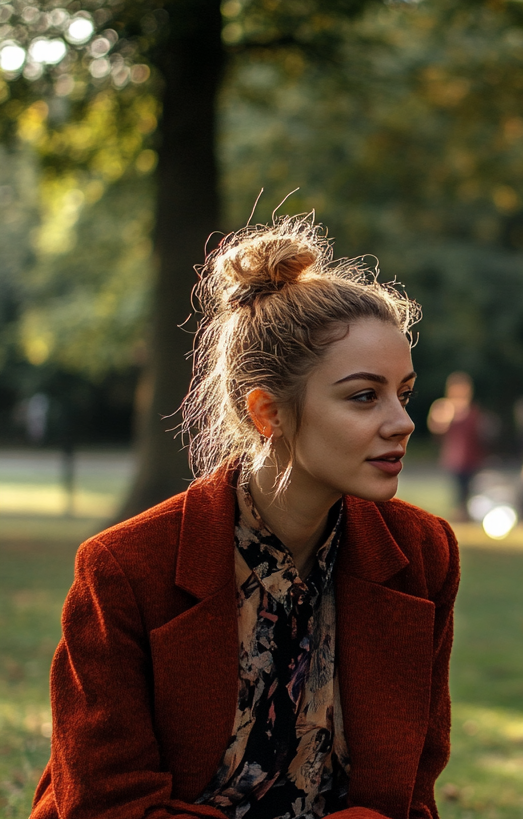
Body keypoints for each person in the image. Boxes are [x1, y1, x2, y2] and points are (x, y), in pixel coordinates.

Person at [31, 216, 459, 819]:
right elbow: (107, 801)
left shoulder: (421, 552)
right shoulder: (124, 570)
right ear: (267, 412)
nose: (402, 422)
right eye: (365, 396)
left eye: (404, 393)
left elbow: (409, 794)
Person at [427, 372, 484, 521]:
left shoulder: (473, 410)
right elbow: (436, 428)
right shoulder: (445, 407)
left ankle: (464, 514)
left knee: (468, 489)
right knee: (458, 490)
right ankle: (460, 514)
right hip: (454, 457)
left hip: (471, 457)